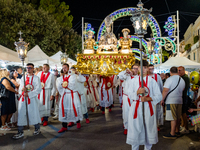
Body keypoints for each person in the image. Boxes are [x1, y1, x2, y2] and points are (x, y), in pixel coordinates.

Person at [126, 60, 162, 150]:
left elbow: (159, 96)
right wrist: (137, 92)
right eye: (140, 67)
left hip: (148, 107)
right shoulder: (132, 81)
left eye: (145, 67)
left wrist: (148, 98)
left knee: (148, 128)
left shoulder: (152, 81)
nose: (143, 69)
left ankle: (148, 148)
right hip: (136, 107)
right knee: (135, 128)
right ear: (137, 68)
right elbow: (129, 94)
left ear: (147, 69)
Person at [13, 63, 42, 139]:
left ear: (33, 69)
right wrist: (22, 91)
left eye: (30, 67)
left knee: (33, 113)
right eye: (27, 67)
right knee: (21, 114)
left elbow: (38, 89)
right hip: (23, 99)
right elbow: (20, 89)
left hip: (32, 99)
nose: (28, 69)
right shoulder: (23, 78)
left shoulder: (36, 78)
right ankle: (20, 132)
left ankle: (37, 128)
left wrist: (29, 94)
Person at [57, 63, 83, 133]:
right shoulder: (60, 78)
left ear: (68, 68)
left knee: (74, 108)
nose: (64, 69)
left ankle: (78, 122)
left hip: (73, 95)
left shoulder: (73, 76)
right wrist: (63, 92)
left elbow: (72, 85)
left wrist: (64, 85)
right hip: (65, 95)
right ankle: (64, 126)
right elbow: (59, 87)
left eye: (65, 67)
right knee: (64, 110)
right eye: (63, 68)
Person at [161, 67, 185, 139]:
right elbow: (183, 89)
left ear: (170, 72)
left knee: (173, 117)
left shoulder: (169, 79)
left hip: (171, 101)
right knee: (177, 117)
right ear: (177, 71)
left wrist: (162, 99)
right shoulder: (182, 80)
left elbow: (165, 90)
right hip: (180, 100)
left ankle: (172, 133)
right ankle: (177, 131)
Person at [119, 63, 139, 135]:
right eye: (134, 68)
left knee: (135, 112)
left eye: (137, 68)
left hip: (135, 97)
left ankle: (135, 127)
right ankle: (126, 127)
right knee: (126, 112)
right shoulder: (127, 76)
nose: (135, 70)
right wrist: (126, 71)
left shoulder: (139, 77)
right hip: (126, 96)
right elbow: (120, 76)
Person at [148, 64, 164, 131]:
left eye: (152, 68)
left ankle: (157, 125)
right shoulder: (146, 77)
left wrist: (161, 98)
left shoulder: (157, 76)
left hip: (155, 97)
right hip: (148, 98)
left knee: (156, 112)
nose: (151, 70)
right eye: (150, 69)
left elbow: (161, 87)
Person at [178, 66, 190, 134]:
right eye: (178, 70)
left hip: (183, 96)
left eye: (180, 70)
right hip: (182, 96)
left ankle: (186, 128)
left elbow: (183, 88)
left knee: (183, 112)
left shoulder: (184, 78)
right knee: (182, 113)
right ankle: (183, 126)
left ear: (183, 70)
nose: (179, 72)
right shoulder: (183, 77)